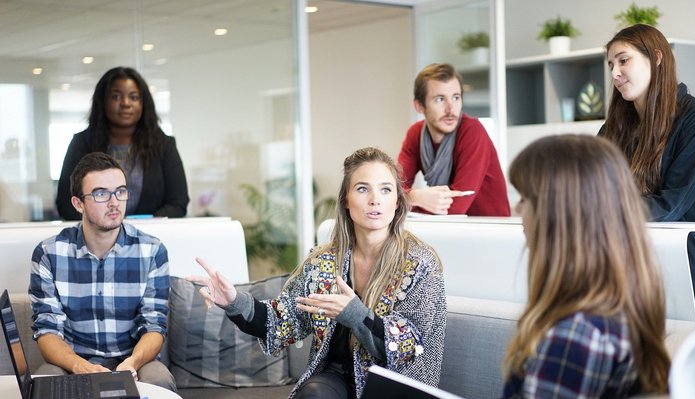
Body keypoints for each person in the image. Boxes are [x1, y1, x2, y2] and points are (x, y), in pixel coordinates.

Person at [188, 147, 446, 399]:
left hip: (394, 383)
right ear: (346, 199)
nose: (374, 199)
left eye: (386, 189)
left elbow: (409, 345)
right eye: (362, 188)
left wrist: (355, 314)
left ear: (397, 201)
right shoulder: (323, 261)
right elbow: (283, 320)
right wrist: (235, 301)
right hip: (336, 379)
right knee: (314, 393)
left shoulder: (421, 263)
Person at [502, 134, 670, 398]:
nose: (517, 209)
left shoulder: (575, 336)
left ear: (557, 215)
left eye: (525, 198)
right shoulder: (619, 308)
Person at [30, 152, 176, 391]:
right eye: (100, 194)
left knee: (158, 379)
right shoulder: (49, 254)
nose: (114, 202)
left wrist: (132, 363)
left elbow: (154, 326)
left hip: (134, 361)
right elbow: (47, 331)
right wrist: (81, 367)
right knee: (44, 381)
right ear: (78, 203)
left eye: (120, 191)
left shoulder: (152, 251)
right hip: (73, 362)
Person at [599, 24, 695, 316]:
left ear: (657, 58)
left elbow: (671, 205)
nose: (615, 73)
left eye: (624, 60)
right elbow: (591, 187)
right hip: (629, 254)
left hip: (687, 263)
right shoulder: (613, 128)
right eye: (611, 64)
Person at [56, 66, 189, 221]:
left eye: (134, 97)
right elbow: (66, 204)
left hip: (150, 238)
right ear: (102, 101)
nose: (126, 103)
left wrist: (141, 226)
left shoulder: (164, 145)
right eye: (116, 97)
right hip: (95, 239)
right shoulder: (82, 143)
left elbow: (178, 204)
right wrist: (106, 224)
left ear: (144, 103)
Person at [397, 63, 510, 216]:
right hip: (449, 229)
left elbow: (455, 208)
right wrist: (415, 197)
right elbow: (392, 191)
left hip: (489, 230)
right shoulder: (415, 134)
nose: (451, 109)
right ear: (419, 106)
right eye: (439, 99)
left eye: (456, 97)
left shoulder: (472, 131)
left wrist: (408, 199)